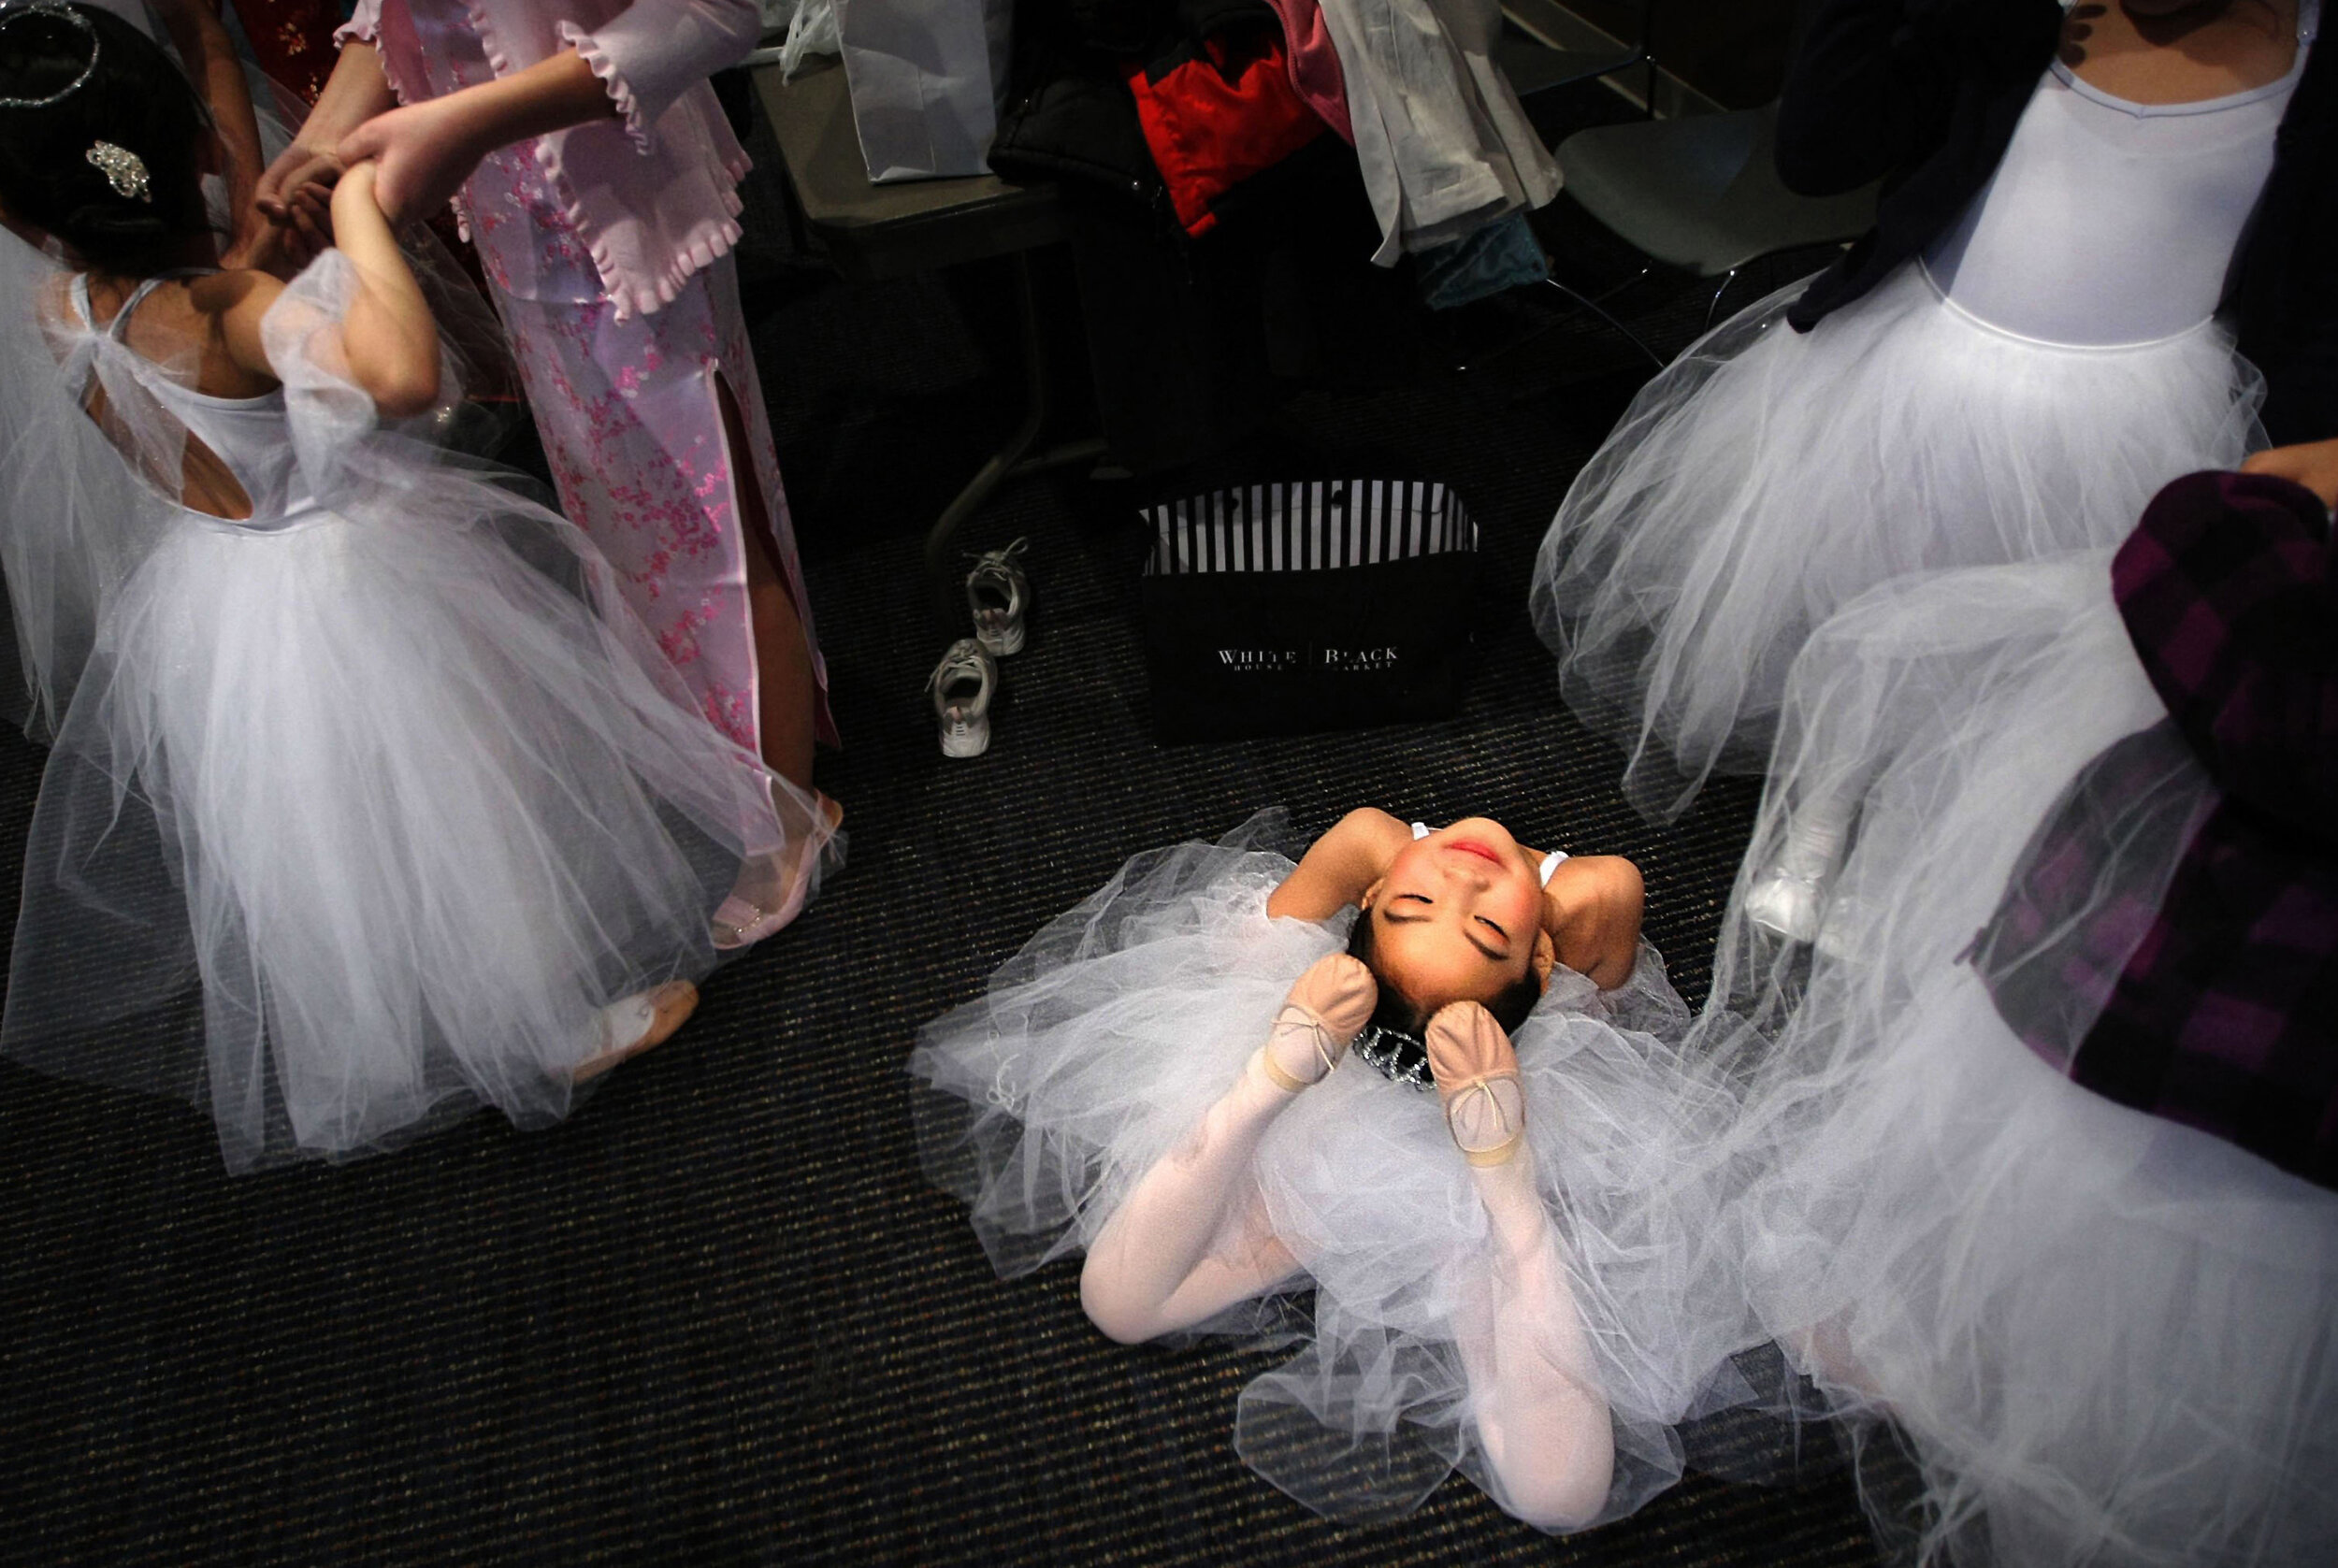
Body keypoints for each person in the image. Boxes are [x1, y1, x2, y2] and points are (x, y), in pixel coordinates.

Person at [0, 2, 840, 1169]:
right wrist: (353, 216)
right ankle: (550, 1025)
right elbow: (396, 372)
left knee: (344, 840)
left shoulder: (68, 317)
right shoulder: (241, 314)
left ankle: (450, 1022)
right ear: (202, 143)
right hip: (357, 589)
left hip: (222, 613)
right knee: (473, 799)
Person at [1682, 468, 2338, 1566]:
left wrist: (2228, 510)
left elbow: (2271, 685)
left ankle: (2038, 1411)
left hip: (2225, 989)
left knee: (2126, 1237)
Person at [1531, 0, 2330, 821]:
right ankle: (1824, 807)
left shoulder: (2309, 57)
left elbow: (2310, 294)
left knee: (2044, 660)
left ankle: (1944, 832)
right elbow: (1817, 151)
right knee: (1868, 585)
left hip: (2146, 417)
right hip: (1924, 364)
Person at [910, 809, 1762, 1531]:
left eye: (1489, 928)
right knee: (1117, 1303)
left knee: (1562, 1496)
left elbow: (1612, 1018)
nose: (1461, 883)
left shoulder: (1593, 895)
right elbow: (1262, 940)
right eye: (1418, 901)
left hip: (1488, 1118)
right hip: (1337, 1081)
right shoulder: (1366, 841)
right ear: (1373, 894)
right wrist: (1282, 1065)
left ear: (1541, 957)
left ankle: (1509, 1189)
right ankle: (1262, 1089)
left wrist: (1503, 1164)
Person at [251, 0, 838, 901]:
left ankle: (789, 818)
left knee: (702, 519)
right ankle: (737, 766)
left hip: (620, 203)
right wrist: (326, 138)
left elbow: (715, 14)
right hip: (512, 211)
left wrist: (461, 122)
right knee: (626, 526)